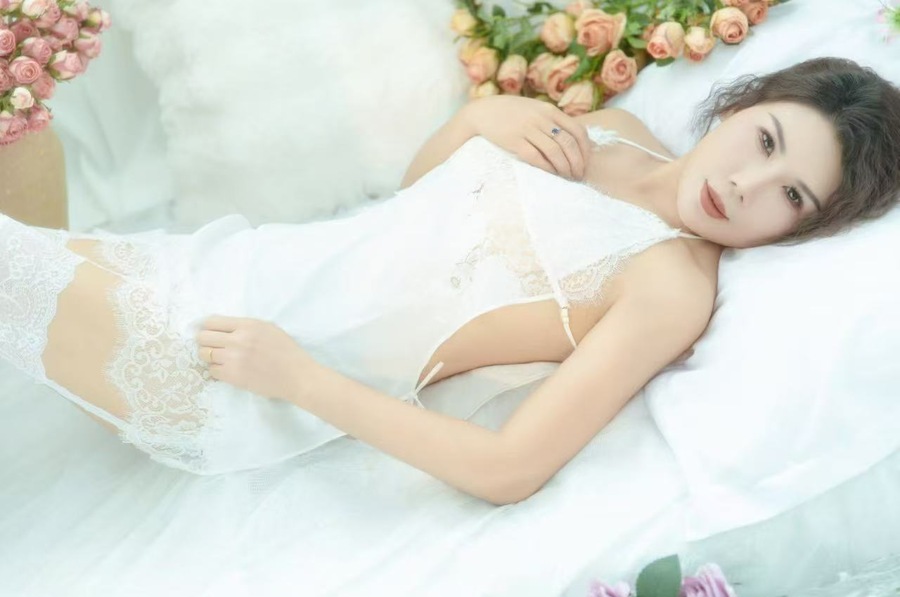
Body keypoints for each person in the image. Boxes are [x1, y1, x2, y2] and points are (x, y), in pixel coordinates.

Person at [1, 56, 899, 504]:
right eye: (766, 141)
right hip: (235, 265)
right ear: (743, 104)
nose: (744, 186)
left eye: (790, 195)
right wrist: (479, 117)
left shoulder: (673, 289)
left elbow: (511, 468)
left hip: (233, 363)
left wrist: (299, 380)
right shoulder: (617, 131)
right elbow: (413, 206)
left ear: (802, 228)